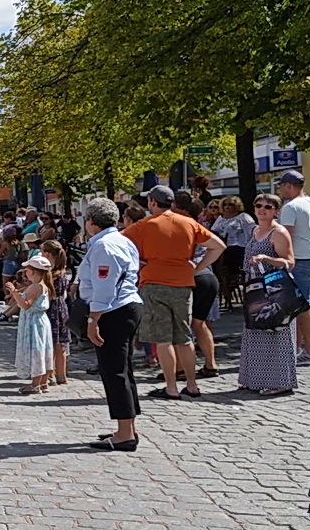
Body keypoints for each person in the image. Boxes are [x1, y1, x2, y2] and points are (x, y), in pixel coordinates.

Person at [126, 185, 225, 399]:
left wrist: (140, 262)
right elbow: (218, 246)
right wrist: (197, 267)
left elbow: (119, 244)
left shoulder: (144, 225)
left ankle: (171, 387)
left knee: (163, 339)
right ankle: (192, 385)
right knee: (183, 336)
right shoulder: (188, 223)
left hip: (153, 283)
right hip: (183, 284)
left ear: (152, 202)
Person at [79, 200, 142, 450]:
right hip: (126, 306)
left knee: (114, 372)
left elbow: (105, 286)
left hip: (112, 310)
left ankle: (125, 433)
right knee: (123, 371)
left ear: (91, 221)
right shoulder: (123, 240)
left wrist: (93, 319)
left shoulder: (104, 246)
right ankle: (128, 428)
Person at [238, 194, 298, 396]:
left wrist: (268, 258)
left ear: (276, 210)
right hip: (255, 286)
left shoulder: (279, 233)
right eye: (258, 206)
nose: (262, 210)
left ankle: (282, 381)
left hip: (274, 288)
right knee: (255, 329)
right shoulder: (255, 230)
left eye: (268, 207)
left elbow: (290, 262)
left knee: (276, 330)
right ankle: (253, 378)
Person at [275, 171, 310, 364]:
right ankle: (296, 349)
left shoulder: (291, 206)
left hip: (300, 260)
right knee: (299, 308)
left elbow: (285, 236)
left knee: (304, 308)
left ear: (289, 185)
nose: (281, 190)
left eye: (281, 186)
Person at [175, 191, 222, 378]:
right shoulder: (201, 228)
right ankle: (211, 364)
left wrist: (194, 268)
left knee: (181, 325)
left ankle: (181, 369)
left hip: (192, 277)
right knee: (199, 324)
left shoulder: (184, 228)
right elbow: (217, 246)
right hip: (208, 277)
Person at [8, 255, 54, 394]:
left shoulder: (34, 287)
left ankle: (35, 384)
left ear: (32, 272)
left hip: (33, 323)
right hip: (41, 321)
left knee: (36, 351)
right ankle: (44, 382)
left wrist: (14, 292)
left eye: (27, 269)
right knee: (43, 350)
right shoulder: (42, 285)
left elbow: (25, 305)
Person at [40, 239, 73, 385]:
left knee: (50, 343)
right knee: (61, 344)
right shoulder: (62, 271)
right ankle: (62, 375)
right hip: (62, 308)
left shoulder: (49, 273)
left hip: (51, 307)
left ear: (46, 254)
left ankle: (51, 374)